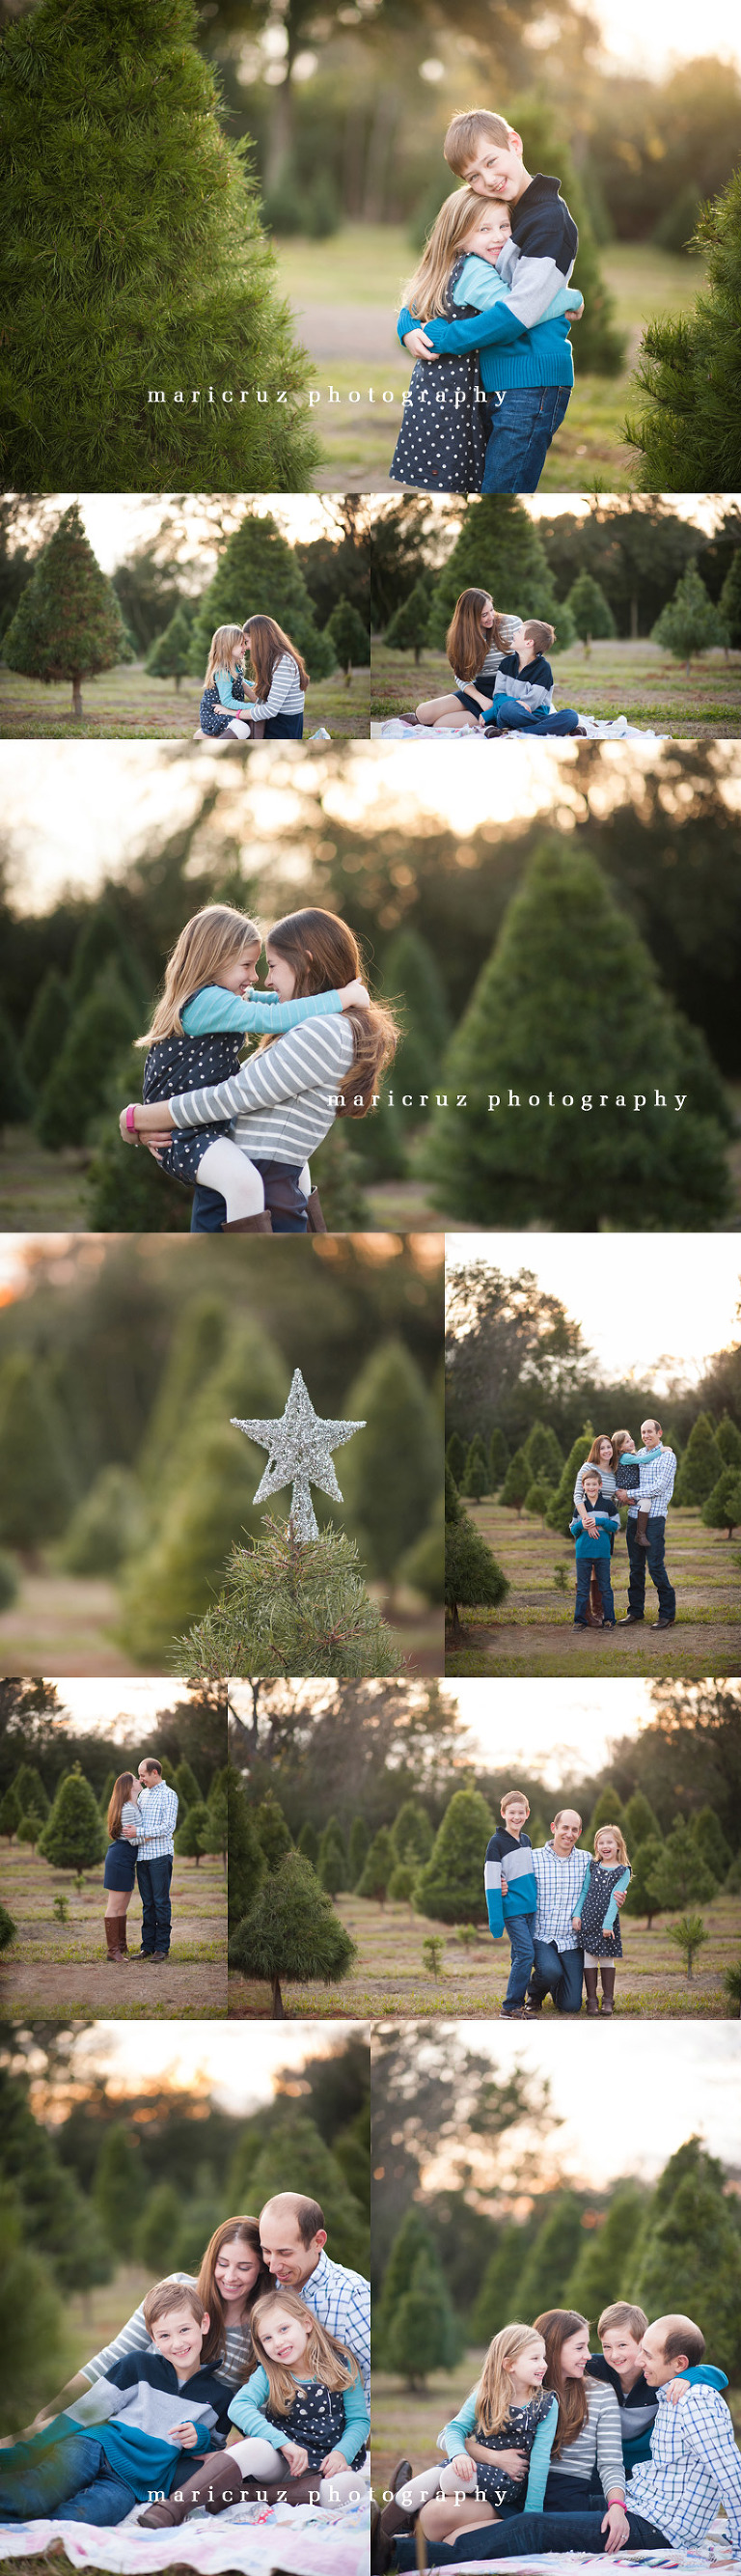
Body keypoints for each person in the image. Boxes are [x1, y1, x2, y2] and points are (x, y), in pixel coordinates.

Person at [120, 907, 399, 1237]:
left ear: (306, 962)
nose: (260, 977)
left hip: (248, 1178)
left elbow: (233, 1094)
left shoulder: (321, 1031)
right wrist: (138, 1120)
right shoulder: (212, 1001)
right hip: (209, 1150)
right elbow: (274, 1020)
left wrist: (136, 1119)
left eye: (271, 966)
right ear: (215, 961)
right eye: (249, 966)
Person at [415, 2313, 741, 2561]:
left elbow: (730, 2472)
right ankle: (419, 2534)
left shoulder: (684, 2395)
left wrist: (699, 2375)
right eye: (599, 2347)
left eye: (645, 2353)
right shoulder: (545, 2381)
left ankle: (408, 2553)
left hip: (644, 2515)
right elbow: (463, 2430)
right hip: (625, 2498)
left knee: (530, 2528)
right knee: (438, 2515)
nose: (633, 2360)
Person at [398, 108, 580, 494]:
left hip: (531, 378)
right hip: (499, 378)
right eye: (472, 177)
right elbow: (441, 279)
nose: (488, 180)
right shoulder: (508, 210)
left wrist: (443, 338)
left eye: (491, 162)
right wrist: (409, 325)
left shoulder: (546, 221)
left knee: (502, 492)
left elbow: (517, 313)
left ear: (514, 143)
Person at [0, 2282, 233, 2528]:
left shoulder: (219, 2399)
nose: (177, 2343)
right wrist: (26, 2452)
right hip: (92, 2447)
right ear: (153, 2338)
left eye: (184, 2330)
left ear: (203, 2324)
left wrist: (199, 2439)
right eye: (165, 2335)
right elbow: (81, 2413)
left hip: (130, 2484)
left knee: (85, 2519)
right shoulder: (138, 2366)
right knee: (35, 2495)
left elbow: (210, 2457)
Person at [387, 2324, 557, 2552]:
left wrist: (532, 2514)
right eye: (535, 2358)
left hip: (508, 2484)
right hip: (476, 2469)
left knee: (449, 2477)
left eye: (543, 2357)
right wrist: (458, 2455)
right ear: (509, 2364)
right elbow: (454, 2430)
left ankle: (410, 2521)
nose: (543, 2364)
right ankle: (378, 2536)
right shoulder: (485, 2395)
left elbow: (540, 2460)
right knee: (422, 2484)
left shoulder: (545, 2404)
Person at [585, 2302, 727, 2483]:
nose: (614, 2355)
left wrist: (689, 2376)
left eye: (622, 2345)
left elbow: (720, 2377)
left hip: (648, 2464)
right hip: (606, 2460)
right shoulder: (598, 2368)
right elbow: (566, 2364)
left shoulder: (657, 2374)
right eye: (607, 2347)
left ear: (643, 2342)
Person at [260, 2193, 370, 2403]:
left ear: (318, 2241)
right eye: (266, 2251)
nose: (273, 2266)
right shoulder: (267, 2285)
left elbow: (372, 2376)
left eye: (285, 2253)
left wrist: (357, 2431)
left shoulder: (352, 2295)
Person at [525, 1809, 624, 2015]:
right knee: (550, 1971)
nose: (569, 1834)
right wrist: (503, 1884)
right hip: (542, 1937)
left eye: (574, 1829)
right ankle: (535, 1994)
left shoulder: (587, 1861)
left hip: (573, 1940)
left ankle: (554, 1978)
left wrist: (619, 1898)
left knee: (570, 2006)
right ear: (554, 1828)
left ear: (580, 1833)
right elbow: (511, 1880)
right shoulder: (533, 1858)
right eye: (565, 1828)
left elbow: (603, 1888)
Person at [407, 591, 521, 731]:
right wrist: (482, 700)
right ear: (469, 617)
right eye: (484, 615)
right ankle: (480, 715)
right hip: (480, 690)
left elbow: (529, 660)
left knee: (439, 725)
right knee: (423, 713)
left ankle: (493, 718)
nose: (491, 616)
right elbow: (460, 675)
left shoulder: (512, 623)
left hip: (506, 690)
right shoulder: (462, 636)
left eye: (491, 610)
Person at [616, 1416, 677, 1629]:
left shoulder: (668, 1457)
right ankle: (635, 1611)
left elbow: (658, 1488)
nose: (645, 1436)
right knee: (635, 1567)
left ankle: (667, 1614)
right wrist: (620, 1495)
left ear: (659, 1433)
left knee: (656, 1567)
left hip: (654, 1520)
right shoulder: (638, 1455)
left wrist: (628, 1494)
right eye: (642, 1432)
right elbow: (626, 1478)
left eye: (650, 1431)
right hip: (634, 1518)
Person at [483, 1787, 537, 2018]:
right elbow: (492, 1883)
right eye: (511, 1812)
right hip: (513, 1911)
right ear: (503, 1813)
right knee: (526, 1954)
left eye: (521, 1812)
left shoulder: (526, 1840)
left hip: (530, 1910)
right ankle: (511, 2006)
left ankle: (520, 2002)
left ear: (527, 1813)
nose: (516, 1817)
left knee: (519, 1956)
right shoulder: (496, 1843)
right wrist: (496, 1920)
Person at [482, 621, 584, 736]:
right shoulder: (506, 664)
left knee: (571, 716)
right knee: (507, 708)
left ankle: (517, 732)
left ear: (529, 642)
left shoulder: (543, 668)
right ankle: (550, 729)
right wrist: (515, 702)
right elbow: (498, 697)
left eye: (519, 632)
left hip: (536, 715)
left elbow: (532, 703)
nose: (514, 633)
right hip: (510, 715)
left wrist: (512, 703)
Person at [571, 1824, 631, 2016]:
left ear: (618, 1845)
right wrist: (577, 1914)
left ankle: (608, 2000)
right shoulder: (593, 1866)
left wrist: (607, 1925)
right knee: (589, 1960)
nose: (605, 1846)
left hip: (607, 1923)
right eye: (601, 1842)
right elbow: (584, 1891)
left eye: (610, 1842)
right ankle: (591, 2001)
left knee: (606, 1960)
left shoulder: (623, 1871)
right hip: (588, 1920)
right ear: (596, 1846)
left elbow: (616, 1898)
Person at [134, 1757, 178, 1963]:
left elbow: (168, 1827)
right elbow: (139, 1825)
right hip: (142, 1857)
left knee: (161, 1902)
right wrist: (142, 1834)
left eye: (143, 1775)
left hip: (160, 1857)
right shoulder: (143, 1795)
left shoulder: (169, 1795)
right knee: (147, 1904)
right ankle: (147, 1947)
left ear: (155, 1772)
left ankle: (162, 1947)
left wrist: (141, 1832)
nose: (141, 1779)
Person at [240, 615, 308, 739]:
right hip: (275, 723)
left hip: (282, 730)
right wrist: (241, 682)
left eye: (247, 641)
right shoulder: (275, 660)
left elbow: (270, 710)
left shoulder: (283, 662)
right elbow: (265, 700)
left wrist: (235, 713)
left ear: (259, 638)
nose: (246, 647)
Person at [570, 1470, 619, 1628]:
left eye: (594, 1484)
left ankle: (609, 1620)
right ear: (583, 1486)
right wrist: (581, 1525)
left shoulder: (608, 1505)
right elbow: (573, 1530)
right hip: (583, 1553)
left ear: (600, 1485)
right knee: (582, 1589)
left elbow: (615, 1525)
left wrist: (599, 1520)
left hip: (602, 1553)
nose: (591, 1487)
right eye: (588, 1484)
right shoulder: (580, 1507)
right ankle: (580, 1621)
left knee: (605, 1587)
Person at [198, 626, 265, 741]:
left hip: (226, 712)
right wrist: (253, 707)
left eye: (244, 643)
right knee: (243, 729)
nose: (245, 647)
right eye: (241, 644)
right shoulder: (223, 671)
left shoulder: (235, 667)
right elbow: (227, 701)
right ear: (226, 647)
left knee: (256, 718)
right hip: (215, 715)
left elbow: (241, 682)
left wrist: (258, 686)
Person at [102, 1772, 141, 1963]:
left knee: (123, 1904)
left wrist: (143, 1834)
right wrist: (152, 1835)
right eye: (135, 1779)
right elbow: (133, 1840)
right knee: (114, 1905)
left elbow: (136, 1835)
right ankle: (112, 1950)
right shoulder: (127, 1809)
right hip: (120, 1858)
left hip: (126, 1859)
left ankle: (122, 1945)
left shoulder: (134, 1805)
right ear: (128, 1786)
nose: (139, 1780)